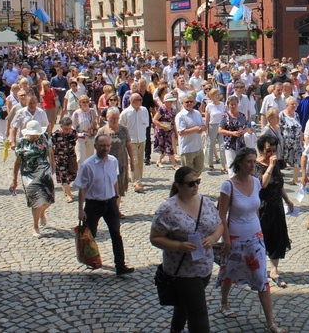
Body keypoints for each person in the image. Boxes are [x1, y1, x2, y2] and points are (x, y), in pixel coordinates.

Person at [216, 147, 286, 333]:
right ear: (239, 162)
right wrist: (227, 239)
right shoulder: (228, 186)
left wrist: (259, 231)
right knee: (230, 273)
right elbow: (221, 215)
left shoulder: (256, 182)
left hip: (255, 237)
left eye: (254, 161)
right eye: (248, 161)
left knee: (262, 279)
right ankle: (224, 302)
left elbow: (256, 208)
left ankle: (271, 322)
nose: (252, 165)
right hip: (236, 238)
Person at [150, 167, 223, 333]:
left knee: (184, 303)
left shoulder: (205, 202)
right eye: (191, 184)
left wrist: (212, 239)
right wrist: (179, 246)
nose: (195, 186)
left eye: (197, 182)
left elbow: (219, 225)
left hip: (204, 266)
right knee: (198, 313)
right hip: (182, 271)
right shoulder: (167, 210)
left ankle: (176, 329)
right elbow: (155, 238)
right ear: (178, 186)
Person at [73, 134, 134, 276]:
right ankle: (91, 260)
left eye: (107, 146)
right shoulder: (87, 165)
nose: (105, 148)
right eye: (102, 146)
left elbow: (115, 180)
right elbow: (82, 188)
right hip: (93, 205)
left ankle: (120, 265)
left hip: (110, 203)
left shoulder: (113, 161)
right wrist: (80, 209)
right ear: (95, 147)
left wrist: (117, 197)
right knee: (90, 235)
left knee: (116, 235)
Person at [253, 135, 293, 287]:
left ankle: (274, 270)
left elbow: (279, 183)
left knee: (277, 238)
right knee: (262, 239)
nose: (272, 154)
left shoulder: (274, 164)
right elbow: (263, 184)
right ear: (261, 150)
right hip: (262, 208)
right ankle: (259, 269)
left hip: (276, 207)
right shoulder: (256, 165)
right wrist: (270, 166)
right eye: (268, 151)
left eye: (274, 150)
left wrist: (287, 200)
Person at [10, 121, 55, 238]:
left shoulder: (45, 137)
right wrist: (14, 179)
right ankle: (35, 226)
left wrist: (53, 165)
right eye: (33, 134)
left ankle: (41, 212)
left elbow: (50, 152)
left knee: (49, 199)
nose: (35, 136)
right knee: (36, 201)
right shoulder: (22, 142)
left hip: (44, 172)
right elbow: (17, 161)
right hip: (29, 174)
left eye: (37, 134)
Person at [97, 107, 135, 217]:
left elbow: (128, 146)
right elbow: (97, 149)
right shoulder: (102, 131)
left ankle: (116, 210)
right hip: (106, 164)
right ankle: (107, 209)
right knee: (107, 187)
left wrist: (132, 161)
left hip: (121, 163)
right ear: (106, 118)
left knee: (119, 188)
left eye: (116, 118)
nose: (114, 120)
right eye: (112, 118)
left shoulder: (123, 130)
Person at [119, 92, 149, 192]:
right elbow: (121, 128)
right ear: (132, 101)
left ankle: (139, 179)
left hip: (142, 139)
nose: (141, 101)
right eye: (139, 100)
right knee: (134, 161)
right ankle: (136, 182)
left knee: (140, 161)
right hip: (130, 141)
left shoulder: (144, 110)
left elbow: (146, 124)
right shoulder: (125, 113)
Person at [176, 91, 206, 174]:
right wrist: (195, 129)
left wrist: (202, 128)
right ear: (182, 103)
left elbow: (203, 125)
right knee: (187, 173)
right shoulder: (180, 116)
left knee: (199, 168)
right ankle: (189, 185)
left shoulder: (197, 113)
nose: (189, 103)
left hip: (198, 146)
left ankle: (192, 183)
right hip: (187, 148)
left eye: (191, 101)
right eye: (187, 102)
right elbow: (181, 132)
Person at [51, 116, 78, 203]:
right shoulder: (56, 135)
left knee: (71, 175)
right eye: (66, 129)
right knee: (64, 177)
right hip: (60, 159)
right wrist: (52, 161)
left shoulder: (73, 133)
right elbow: (51, 148)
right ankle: (69, 194)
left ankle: (66, 190)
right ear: (61, 126)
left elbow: (74, 143)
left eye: (69, 128)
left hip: (71, 157)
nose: (68, 131)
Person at [279, 97, 304, 185]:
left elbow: (299, 128)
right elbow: (279, 128)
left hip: (296, 142)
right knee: (281, 159)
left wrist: (302, 140)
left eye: (295, 104)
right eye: (292, 104)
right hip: (285, 142)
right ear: (286, 105)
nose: (294, 106)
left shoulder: (296, 115)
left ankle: (295, 179)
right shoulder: (281, 114)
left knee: (297, 160)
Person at [203, 88, 227, 173]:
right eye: (216, 94)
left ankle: (223, 165)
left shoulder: (222, 104)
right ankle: (211, 164)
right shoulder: (209, 106)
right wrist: (205, 130)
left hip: (221, 126)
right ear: (212, 96)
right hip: (212, 126)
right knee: (211, 145)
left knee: (222, 146)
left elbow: (225, 116)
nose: (218, 96)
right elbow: (207, 120)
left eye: (219, 94)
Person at [153, 94, 179, 170]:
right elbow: (154, 120)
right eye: (170, 101)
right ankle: (174, 164)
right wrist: (163, 126)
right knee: (167, 147)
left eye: (172, 101)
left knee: (167, 148)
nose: (171, 102)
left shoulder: (173, 110)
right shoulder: (162, 109)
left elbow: (173, 122)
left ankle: (159, 161)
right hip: (161, 131)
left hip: (169, 132)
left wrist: (176, 133)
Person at [72, 95, 98, 165]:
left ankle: (88, 173)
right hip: (80, 137)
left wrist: (95, 130)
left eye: (87, 101)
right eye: (83, 102)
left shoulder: (92, 111)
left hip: (90, 136)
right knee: (80, 158)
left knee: (89, 158)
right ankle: (81, 173)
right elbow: (74, 126)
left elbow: (95, 122)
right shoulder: (76, 113)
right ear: (80, 103)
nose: (85, 103)